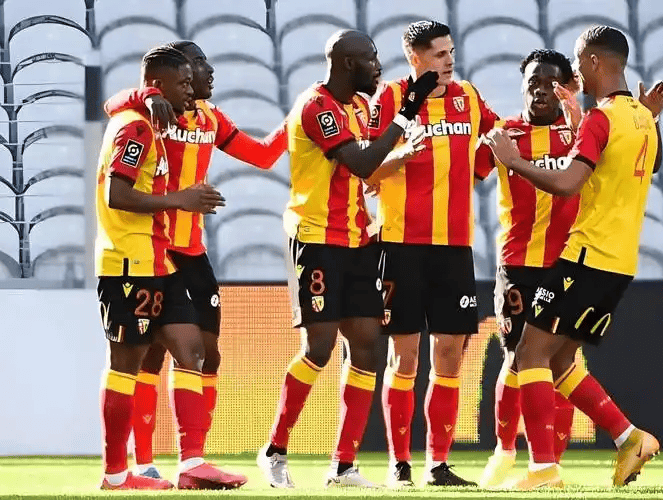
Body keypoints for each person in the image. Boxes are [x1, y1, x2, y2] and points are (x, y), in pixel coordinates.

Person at [483, 25, 663, 489]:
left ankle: (543, 469)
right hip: (619, 263)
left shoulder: (600, 119)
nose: (574, 72)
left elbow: (568, 184)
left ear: (592, 61)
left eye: (577, 61)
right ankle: (629, 438)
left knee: (530, 354)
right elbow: (653, 163)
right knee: (561, 362)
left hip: (585, 256)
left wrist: (513, 160)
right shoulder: (643, 117)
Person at [254, 29, 439, 488]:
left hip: (358, 240)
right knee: (318, 348)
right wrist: (407, 113)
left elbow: (370, 163)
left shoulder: (358, 106)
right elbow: (359, 161)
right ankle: (275, 449)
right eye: (371, 59)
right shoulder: (316, 107)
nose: (378, 67)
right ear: (348, 63)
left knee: (367, 347)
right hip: (317, 239)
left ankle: (343, 465)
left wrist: (400, 153)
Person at [102, 40, 287, 481]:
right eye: (197, 65)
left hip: (191, 252)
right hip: (150, 248)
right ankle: (143, 462)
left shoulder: (208, 117)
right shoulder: (148, 115)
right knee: (146, 357)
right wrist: (146, 95)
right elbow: (114, 104)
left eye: (199, 68)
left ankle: (193, 460)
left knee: (205, 353)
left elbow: (263, 156)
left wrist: (295, 120)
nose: (207, 72)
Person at [366, 20, 499, 487]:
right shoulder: (390, 98)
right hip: (400, 245)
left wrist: (476, 170)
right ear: (415, 58)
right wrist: (398, 158)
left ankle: (437, 464)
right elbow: (365, 170)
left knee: (449, 356)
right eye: (440, 54)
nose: (449, 61)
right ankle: (399, 464)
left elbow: (500, 139)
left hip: (454, 247)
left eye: (451, 52)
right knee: (404, 358)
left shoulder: (469, 96)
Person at [472, 49, 581, 488]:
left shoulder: (580, 134)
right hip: (518, 264)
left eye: (550, 82)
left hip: (568, 265)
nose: (540, 90)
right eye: (533, 81)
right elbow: (463, 176)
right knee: (517, 357)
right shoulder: (504, 136)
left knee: (564, 361)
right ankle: (505, 450)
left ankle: (552, 460)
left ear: (566, 88)